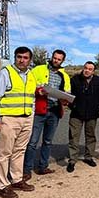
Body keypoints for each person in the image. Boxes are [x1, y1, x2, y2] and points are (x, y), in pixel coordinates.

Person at [0, 46, 38, 198]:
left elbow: (32, 97)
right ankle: (2, 185)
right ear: (15, 57)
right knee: (4, 153)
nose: (22, 60)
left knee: (20, 150)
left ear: (30, 60)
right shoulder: (6, 73)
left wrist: (32, 114)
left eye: (25, 57)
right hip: (9, 118)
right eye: (19, 57)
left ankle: (16, 179)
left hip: (27, 118)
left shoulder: (31, 75)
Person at [22, 49, 71, 180]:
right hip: (39, 111)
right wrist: (38, 91)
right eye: (54, 58)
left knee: (48, 141)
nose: (56, 60)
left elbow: (66, 92)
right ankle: (26, 170)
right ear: (52, 57)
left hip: (54, 112)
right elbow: (28, 85)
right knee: (32, 142)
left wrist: (65, 99)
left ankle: (42, 167)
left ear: (62, 61)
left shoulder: (64, 76)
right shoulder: (38, 69)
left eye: (59, 59)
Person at [67, 61, 99, 172]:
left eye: (90, 69)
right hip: (76, 114)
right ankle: (72, 160)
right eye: (85, 68)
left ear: (93, 71)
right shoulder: (75, 79)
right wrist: (72, 106)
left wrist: (98, 107)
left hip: (92, 114)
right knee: (73, 137)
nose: (87, 70)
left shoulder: (98, 81)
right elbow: (68, 95)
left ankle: (88, 157)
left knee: (91, 136)